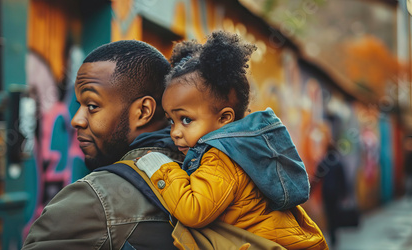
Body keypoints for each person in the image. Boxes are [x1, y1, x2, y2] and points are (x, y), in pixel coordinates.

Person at [136, 31, 328, 249]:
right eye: (171, 121)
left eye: (186, 119)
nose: (175, 132)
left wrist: (161, 169)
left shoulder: (220, 157)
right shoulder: (242, 146)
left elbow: (194, 210)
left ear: (224, 118)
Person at [22, 40, 185, 249]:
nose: (77, 120)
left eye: (92, 105)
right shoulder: (204, 176)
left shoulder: (93, 201)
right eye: (79, 105)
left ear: (143, 112)